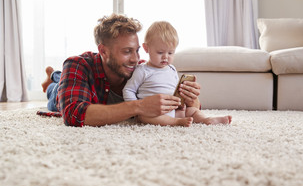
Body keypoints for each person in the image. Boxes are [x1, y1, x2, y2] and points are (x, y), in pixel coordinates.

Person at [41, 14, 201, 127]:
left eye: (137, 50)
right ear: (103, 51)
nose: (135, 59)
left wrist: (189, 98)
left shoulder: (141, 69)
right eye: (127, 51)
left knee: (59, 82)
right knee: (53, 93)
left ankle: (54, 78)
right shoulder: (78, 64)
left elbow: (190, 107)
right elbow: (73, 114)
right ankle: (53, 81)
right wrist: (139, 106)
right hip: (60, 95)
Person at [122, 21, 232, 127]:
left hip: (175, 110)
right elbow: (128, 90)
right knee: (144, 117)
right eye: (160, 52)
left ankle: (206, 120)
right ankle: (176, 123)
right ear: (146, 48)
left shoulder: (172, 69)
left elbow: (176, 91)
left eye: (170, 52)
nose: (165, 57)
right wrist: (137, 109)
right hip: (152, 113)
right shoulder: (142, 70)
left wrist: (181, 103)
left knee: (192, 111)